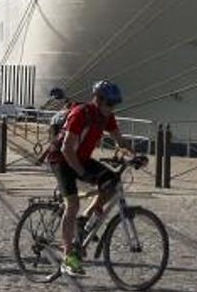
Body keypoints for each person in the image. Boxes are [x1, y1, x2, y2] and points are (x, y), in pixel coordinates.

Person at [47, 80, 133, 277]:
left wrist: (134, 155)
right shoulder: (80, 114)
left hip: (81, 158)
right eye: (110, 104)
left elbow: (119, 139)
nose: (112, 109)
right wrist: (82, 173)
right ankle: (68, 257)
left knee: (112, 182)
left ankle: (84, 220)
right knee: (72, 204)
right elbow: (67, 148)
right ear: (98, 100)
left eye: (114, 105)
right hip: (61, 158)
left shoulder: (106, 116)